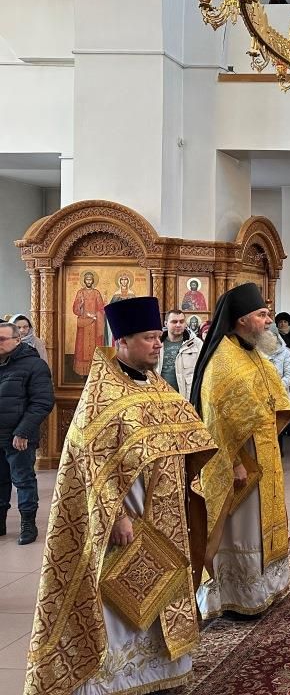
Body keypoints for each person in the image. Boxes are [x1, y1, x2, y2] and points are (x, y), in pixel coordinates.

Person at [23, 297, 216, 695]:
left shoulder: (156, 385)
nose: (158, 344)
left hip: (165, 516)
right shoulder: (103, 395)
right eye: (149, 338)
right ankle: (114, 681)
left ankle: (159, 674)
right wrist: (117, 516)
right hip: (123, 519)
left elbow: (185, 433)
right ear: (122, 341)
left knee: (161, 591)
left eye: (159, 336)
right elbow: (90, 460)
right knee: (116, 598)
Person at [189, 283, 290, 619]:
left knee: (262, 522)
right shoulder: (223, 361)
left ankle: (264, 586)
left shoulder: (250, 352)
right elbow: (215, 421)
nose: (268, 321)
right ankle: (238, 595)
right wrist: (233, 461)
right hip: (241, 462)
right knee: (242, 528)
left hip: (264, 453)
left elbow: (273, 396)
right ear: (242, 319)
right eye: (262, 315)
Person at [0, 321, 53, 544]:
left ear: (17, 340)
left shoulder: (34, 365)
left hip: (19, 437)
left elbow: (42, 402)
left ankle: (28, 524)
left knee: (23, 481)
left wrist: (23, 431)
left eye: (2, 339)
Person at [261, 327, 290, 446]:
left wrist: (275, 387)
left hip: (280, 394)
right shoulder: (257, 352)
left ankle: (279, 451)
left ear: (276, 337)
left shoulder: (286, 353)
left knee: (278, 426)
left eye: (270, 336)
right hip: (261, 395)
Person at [157, 308, 204, 398]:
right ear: (166, 324)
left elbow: (202, 372)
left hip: (185, 396)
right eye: (174, 322)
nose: (178, 325)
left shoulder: (196, 344)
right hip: (160, 395)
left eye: (181, 321)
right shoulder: (157, 343)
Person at [73, 271, 106, 376]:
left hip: (94, 324)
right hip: (83, 324)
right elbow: (75, 310)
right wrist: (80, 305)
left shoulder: (96, 293)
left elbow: (101, 308)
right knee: (82, 347)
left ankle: (95, 371)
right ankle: (82, 372)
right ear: (84, 280)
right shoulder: (80, 293)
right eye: (87, 279)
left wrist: (95, 315)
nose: (88, 281)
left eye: (90, 279)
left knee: (95, 346)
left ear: (93, 281)